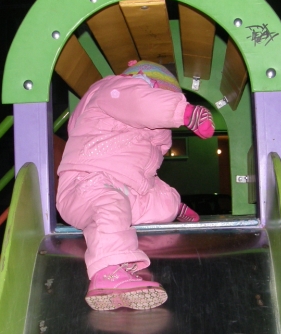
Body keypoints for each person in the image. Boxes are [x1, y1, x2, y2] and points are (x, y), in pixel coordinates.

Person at [56, 60, 215, 311]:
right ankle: (107, 272)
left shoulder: (146, 137)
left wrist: (173, 205)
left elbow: (148, 179)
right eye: (163, 96)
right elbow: (141, 102)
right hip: (85, 185)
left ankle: (126, 256)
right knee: (110, 204)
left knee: (153, 200)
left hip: (123, 189)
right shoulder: (116, 91)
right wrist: (184, 112)